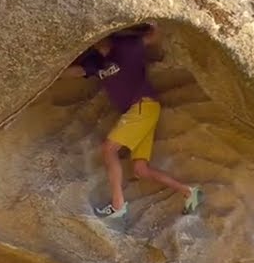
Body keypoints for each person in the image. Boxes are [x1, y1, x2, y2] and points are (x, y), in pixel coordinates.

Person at [61, 21, 202, 220]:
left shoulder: (126, 46)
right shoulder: (96, 61)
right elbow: (76, 72)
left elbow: (152, 37)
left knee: (109, 149)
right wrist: (49, 69)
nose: (97, 39)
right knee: (141, 170)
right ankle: (189, 191)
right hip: (139, 112)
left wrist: (154, 23)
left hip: (143, 106)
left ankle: (118, 205)